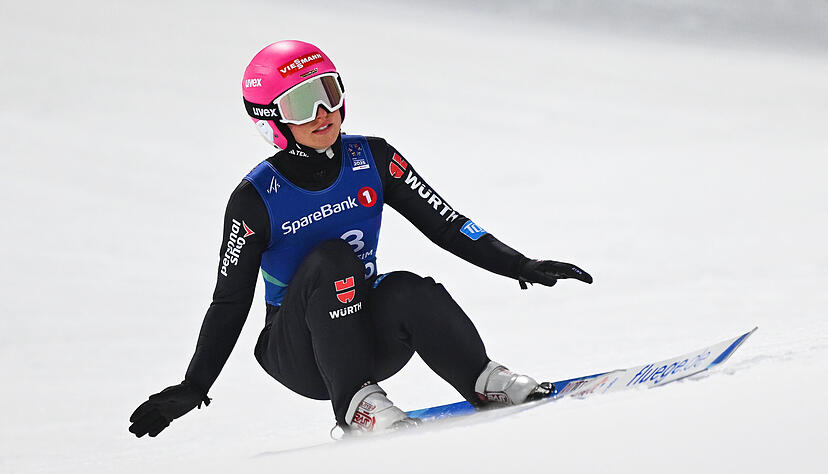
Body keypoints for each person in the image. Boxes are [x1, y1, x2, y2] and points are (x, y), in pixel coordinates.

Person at [128, 40, 593, 438]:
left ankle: (482, 379)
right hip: (300, 353)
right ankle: (355, 405)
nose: (322, 113)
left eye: (328, 93)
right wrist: (195, 385)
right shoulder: (255, 200)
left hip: (366, 332)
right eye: (301, 104)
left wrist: (518, 264)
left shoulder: (372, 157)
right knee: (333, 260)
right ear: (269, 119)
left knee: (409, 288)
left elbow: (446, 223)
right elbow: (229, 302)